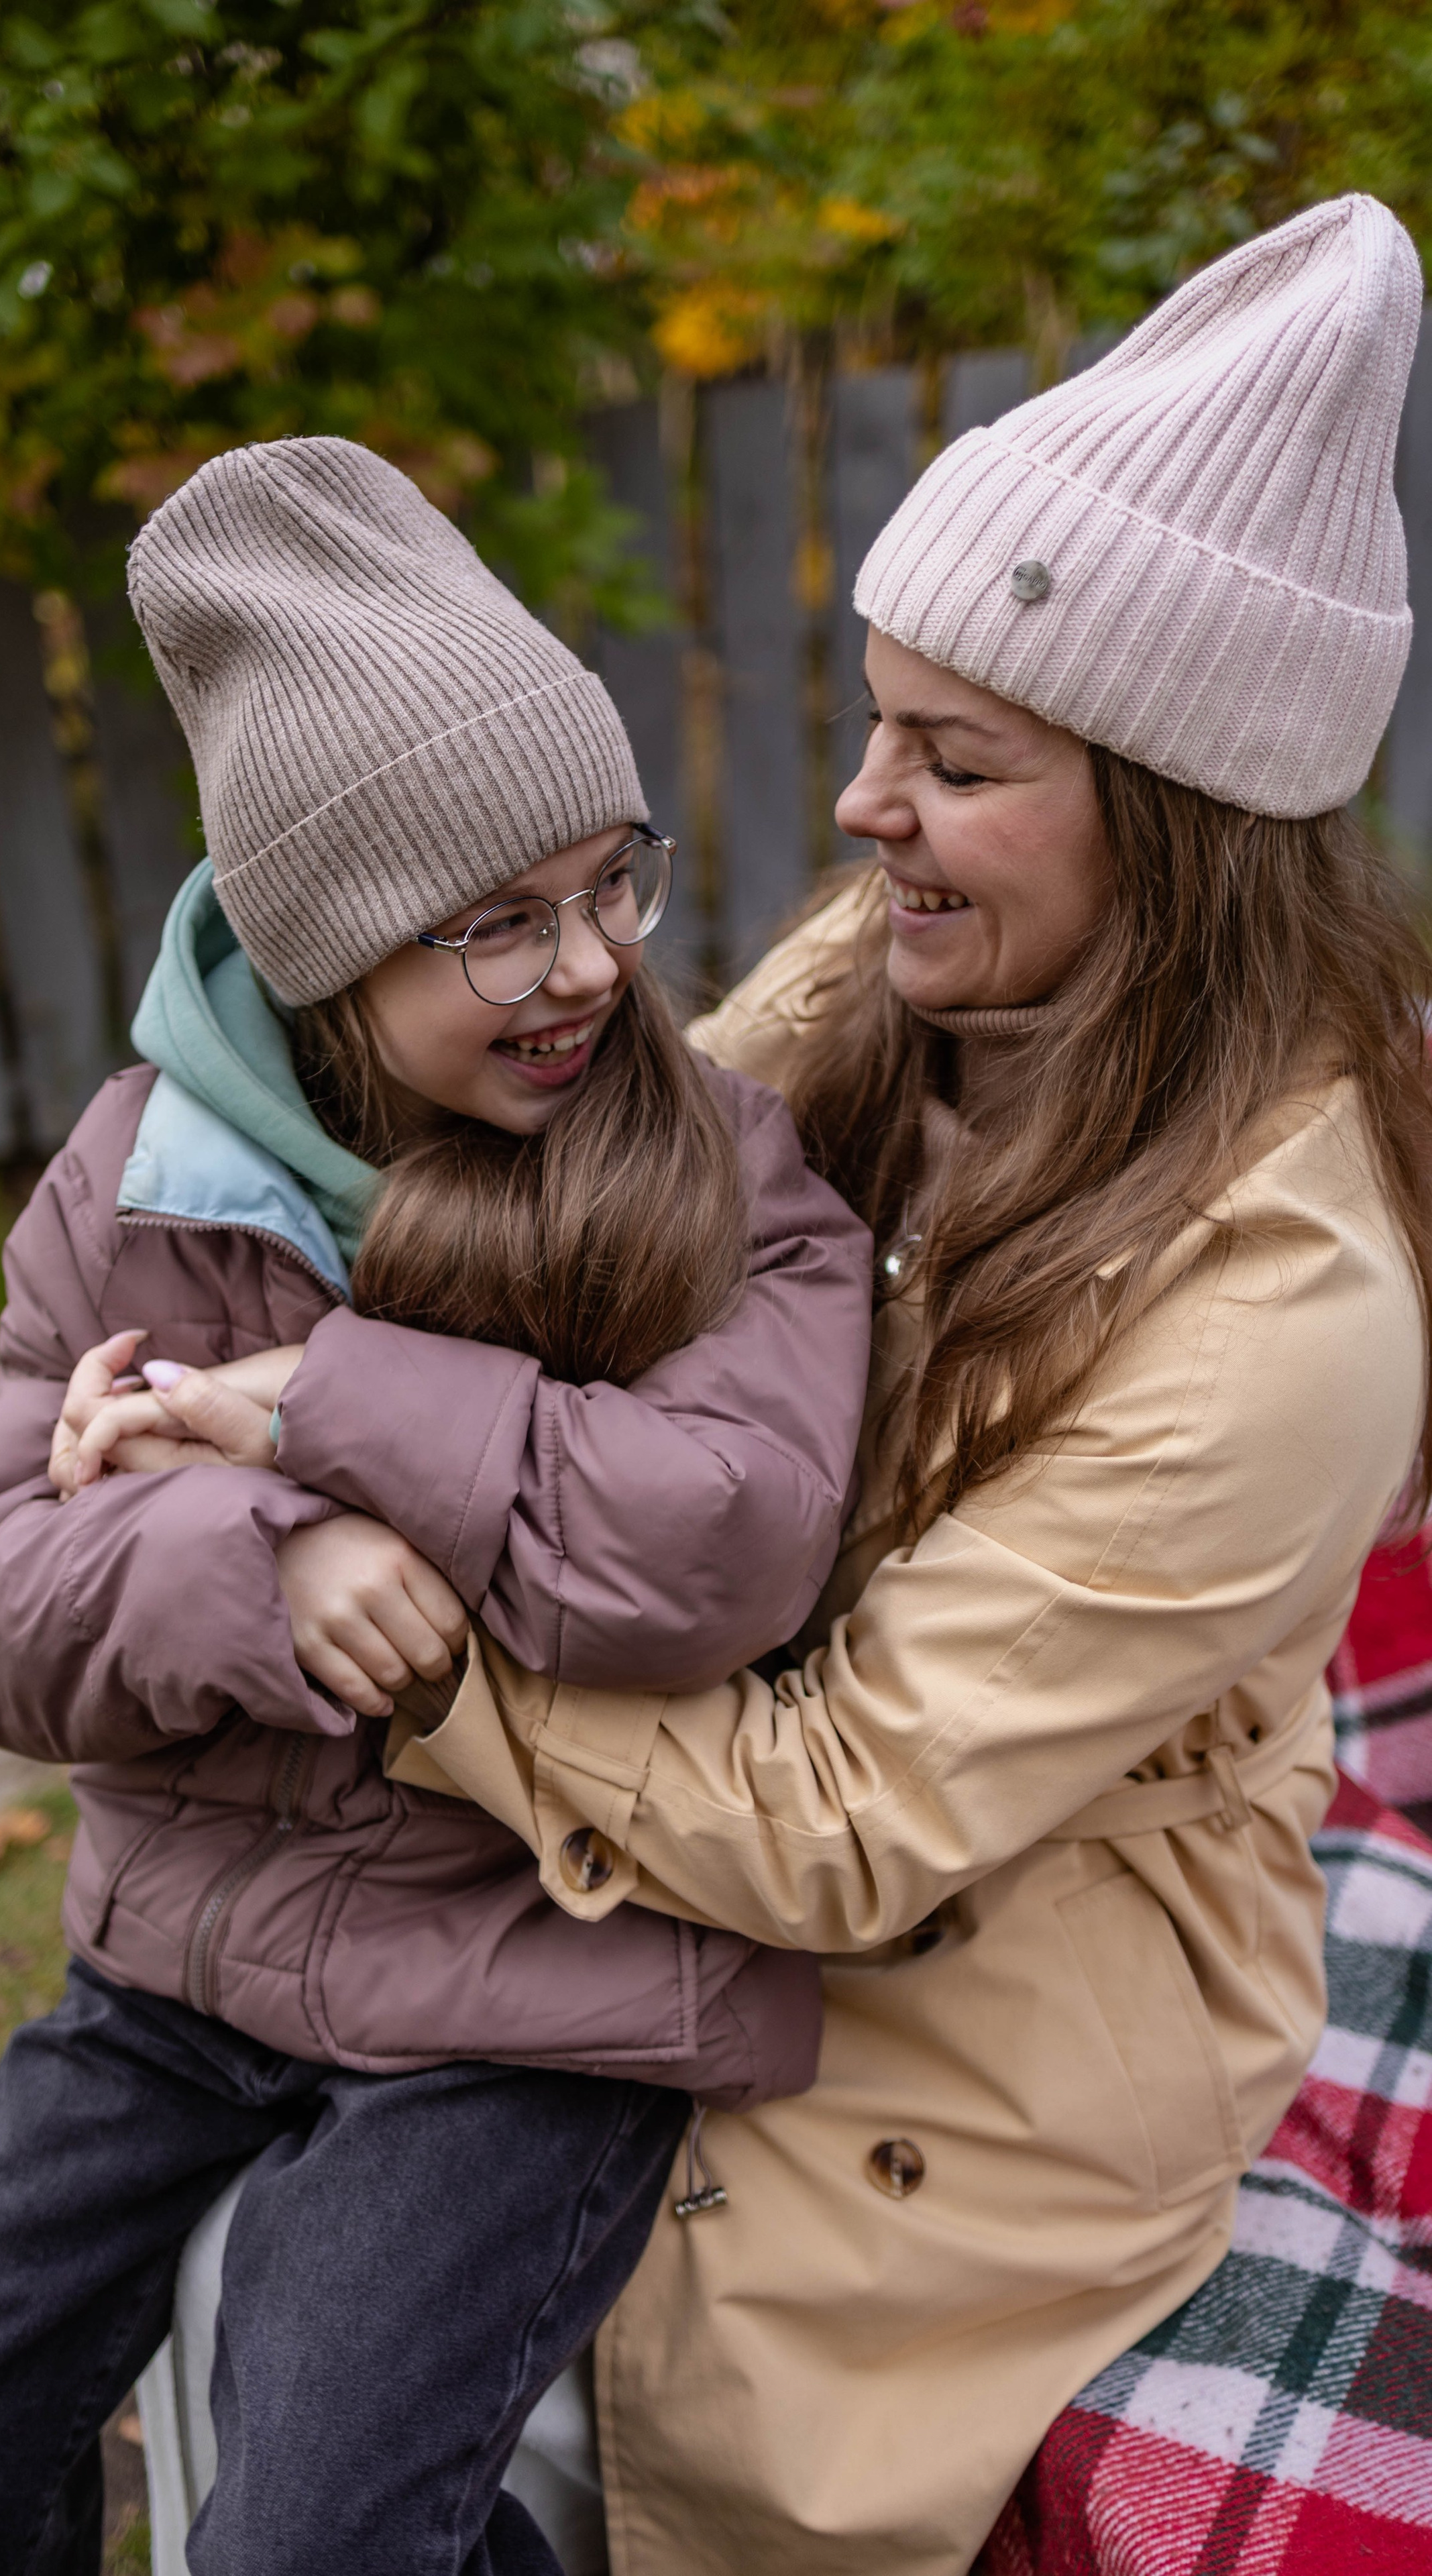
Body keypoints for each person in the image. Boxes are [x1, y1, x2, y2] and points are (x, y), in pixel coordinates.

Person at [335, 195, 1432, 2571]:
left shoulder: (1291, 1302)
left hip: (970, 2049)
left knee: (633, 2418)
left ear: (1179, 820)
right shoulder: (904, 975)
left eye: (952, 756)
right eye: (874, 726)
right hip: (676, 1827)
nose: (858, 810)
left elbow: (843, 1821)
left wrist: (381, 1622)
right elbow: (601, 1262)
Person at [0, 441, 873, 2576]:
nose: (588, 966)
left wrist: (318, 1415)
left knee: (307, 2535)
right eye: (500, 924)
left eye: (610, 883)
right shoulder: (140, 1179)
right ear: (321, 949)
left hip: (524, 1997)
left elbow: (728, 1543)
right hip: (175, 1980)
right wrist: (259, 1565)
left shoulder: (713, 1173)